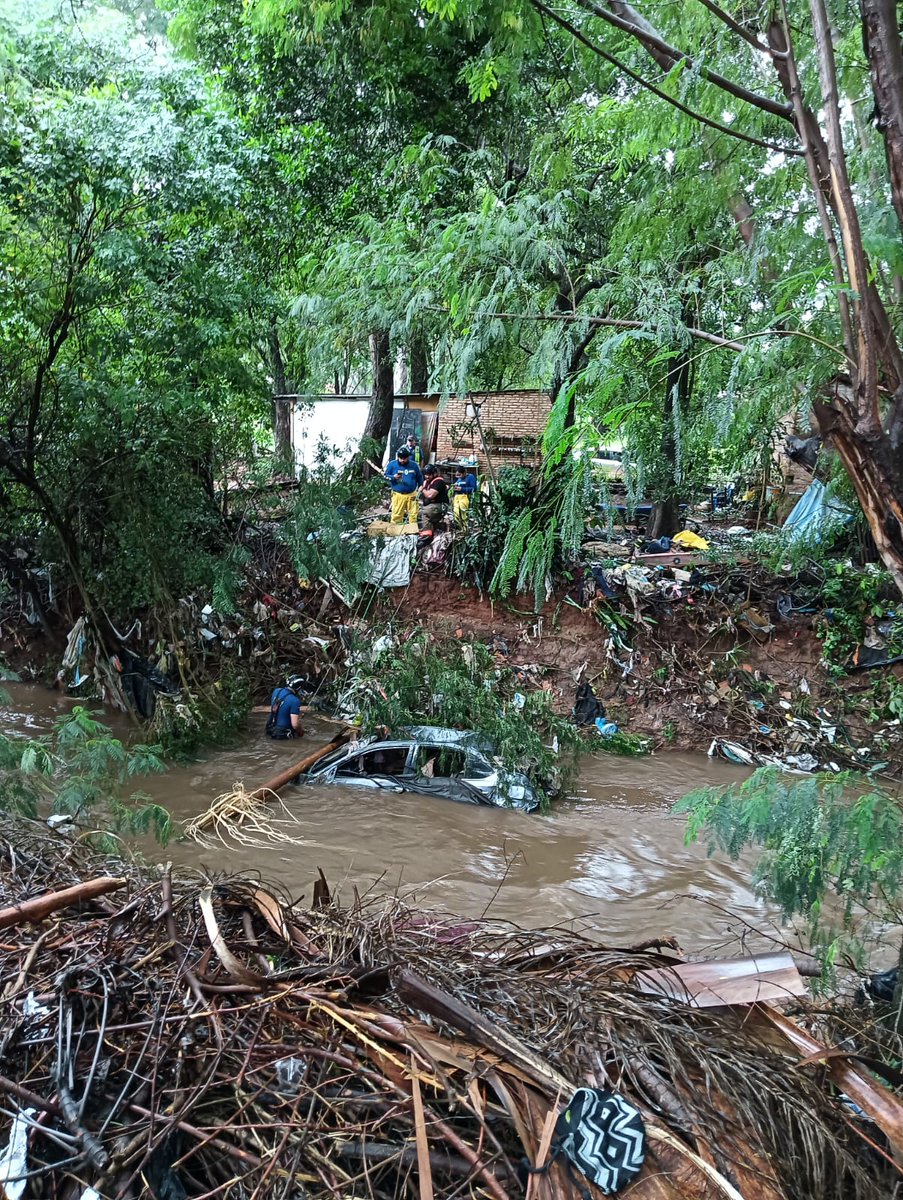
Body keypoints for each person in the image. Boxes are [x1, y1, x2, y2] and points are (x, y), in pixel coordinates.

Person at [384, 445, 423, 525]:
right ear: (398, 457)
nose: (402, 460)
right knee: (397, 514)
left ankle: (412, 531)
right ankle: (395, 531)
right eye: (401, 458)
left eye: (404, 458)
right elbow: (385, 476)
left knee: (413, 514)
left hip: (412, 494)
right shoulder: (392, 465)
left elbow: (419, 477)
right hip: (398, 495)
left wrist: (421, 486)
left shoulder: (414, 465)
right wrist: (393, 477)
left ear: (408, 457)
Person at [266, 675, 305, 739]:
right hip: (282, 734)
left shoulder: (276, 691)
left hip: (270, 729)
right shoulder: (295, 701)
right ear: (298, 688)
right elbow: (295, 725)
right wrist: (301, 731)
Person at [420, 463, 449, 531]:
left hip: (440, 505)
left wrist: (423, 490)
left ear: (434, 474)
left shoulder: (438, 482)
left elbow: (430, 495)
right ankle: (434, 530)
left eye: (429, 474)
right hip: (433, 505)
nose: (427, 476)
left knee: (425, 512)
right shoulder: (427, 482)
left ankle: (426, 536)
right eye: (426, 474)